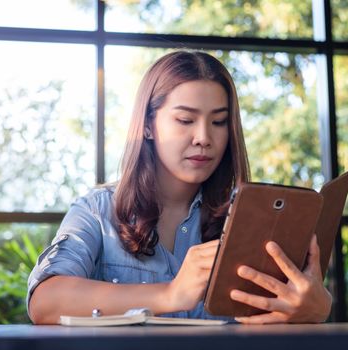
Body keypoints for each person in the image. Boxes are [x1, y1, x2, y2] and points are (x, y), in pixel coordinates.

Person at [27, 50, 332, 324]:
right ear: (147, 125)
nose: (203, 137)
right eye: (185, 119)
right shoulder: (98, 210)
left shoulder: (256, 221)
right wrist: (169, 294)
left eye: (219, 122)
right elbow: (45, 301)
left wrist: (315, 308)